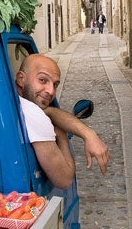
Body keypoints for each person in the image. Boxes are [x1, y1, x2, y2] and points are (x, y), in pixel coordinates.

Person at [15, 54, 110, 189]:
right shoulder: (33, 113)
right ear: (21, 79)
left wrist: (89, 134)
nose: (50, 91)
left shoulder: (12, 100)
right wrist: (61, 135)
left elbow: (49, 111)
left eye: (55, 84)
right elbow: (65, 180)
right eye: (42, 80)